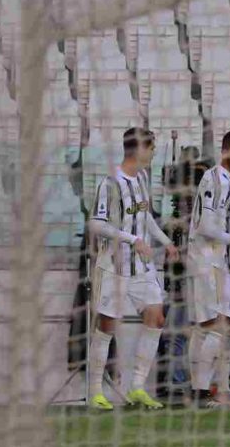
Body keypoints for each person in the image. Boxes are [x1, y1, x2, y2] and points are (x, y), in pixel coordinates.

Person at [87, 127, 181, 410]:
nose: (153, 153)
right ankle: (95, 392)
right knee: (106, 327)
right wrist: (132, 239)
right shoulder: (110, 183)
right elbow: (96, 224)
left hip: (141, 267)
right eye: (151, 148)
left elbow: (146, 217)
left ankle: (137, 387)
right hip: (113, 267)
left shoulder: (141, 178)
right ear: (139, 148)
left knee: (156, 317)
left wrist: (165, 242)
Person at [185, 130, 230, 408]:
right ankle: (203, 393)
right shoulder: (215, 178)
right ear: (226, 150)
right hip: (208, 259)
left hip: (216, 260)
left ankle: (200, 390)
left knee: (206, 328)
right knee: (219, 325)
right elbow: (205, 225)